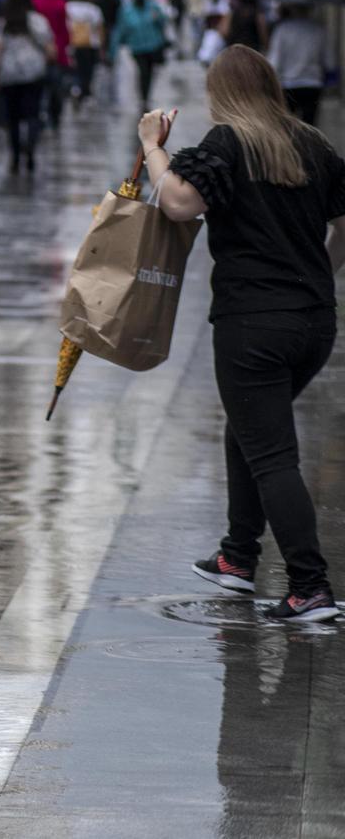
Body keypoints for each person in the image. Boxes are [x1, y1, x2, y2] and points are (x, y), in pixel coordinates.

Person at [146, 46, 345, 622]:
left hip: (252, 322)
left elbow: (179, 203)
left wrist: (154, 150)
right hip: (312, 319)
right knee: (251, 430)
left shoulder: (228, 143)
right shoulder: (312, 142)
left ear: (221, 93)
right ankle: (237, 556)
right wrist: (315, 273)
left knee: (272, 453)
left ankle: (309, 586)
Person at [0, 0, 56, 174]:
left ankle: (15, 156)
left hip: (9, 74)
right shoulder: (38, 21)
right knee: (33, 114)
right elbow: (50, 50)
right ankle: (30, 149)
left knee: (13, 118)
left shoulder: (5, 22)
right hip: (34, 73)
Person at [114, 0, 171, 110]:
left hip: (153, 45)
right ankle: (143, 96)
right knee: (143, 71)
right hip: (137, 46)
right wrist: (116, 46)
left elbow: (162, 22)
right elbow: (121, 28)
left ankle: (146, 95)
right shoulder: (127, 10)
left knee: (149, 72)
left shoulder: (152, 7)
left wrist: (159, 19)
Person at [268, 4, 328, 124]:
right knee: (310, 125)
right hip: (312, 84)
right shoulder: (319, 30)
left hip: (288, 84)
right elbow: (329, 61)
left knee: (287, 126)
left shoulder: (282, 29)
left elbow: (274, 62)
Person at [32, 0, 72, 129]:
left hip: (39, 49)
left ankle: (39, 115)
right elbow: (64, 30)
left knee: (38, 86)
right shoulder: (61, 4)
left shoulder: (34, 2)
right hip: (57, 49)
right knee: (56, 86)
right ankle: (55, 116)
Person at [65, 0, 105, 109]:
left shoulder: (68, 7)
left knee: (74, 69)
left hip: (72, 42)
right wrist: (102, 46)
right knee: (88, 70)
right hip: (90, 44)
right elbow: (99, 28)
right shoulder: (93, 9)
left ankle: (76, 88)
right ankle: (85, 91)